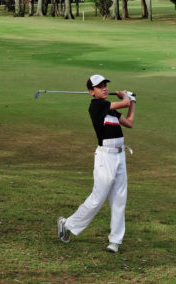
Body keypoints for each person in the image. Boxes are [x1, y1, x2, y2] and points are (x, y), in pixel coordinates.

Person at [57, 74, 136, 253]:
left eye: (105, 85)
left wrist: (133, 101)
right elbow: (123, 103)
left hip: (119, 155)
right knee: (97, 198)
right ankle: (67, 224)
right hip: (105, 157)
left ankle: (115, 240)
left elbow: (130, 123)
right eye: (99, 86)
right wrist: (125, 96)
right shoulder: (97, 106)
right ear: (91, 92)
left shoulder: (111, 109)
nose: (104, 88)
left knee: (119, 199)